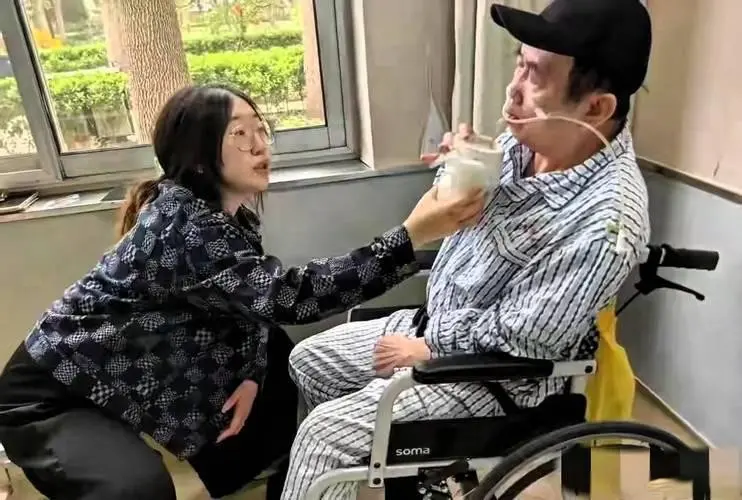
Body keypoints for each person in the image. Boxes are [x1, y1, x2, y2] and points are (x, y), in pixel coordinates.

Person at [0, 84, 485, 500]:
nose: (259, 146)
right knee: (137, 489)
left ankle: (270, 479)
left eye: (260, 129)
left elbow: (250, 303)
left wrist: (251, 376)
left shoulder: (224, 216)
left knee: (276, 371)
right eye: (239, 134)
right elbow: (288, 297)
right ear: (198, 155)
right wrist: (409, 237)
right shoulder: (184, 226)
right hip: (52, 393)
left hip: (126, 369)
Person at [282, 0, 653, 497]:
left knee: (323, 438)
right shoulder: (527, 142)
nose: (513, 89)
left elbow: (526, 337)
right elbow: (457, 216)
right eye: (519, 64)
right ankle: (363, 477)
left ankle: (342, 467)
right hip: (437, 325)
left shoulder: (607, 224)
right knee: (307, 360)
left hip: (493, 379)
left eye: (536, 76)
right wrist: (459, 165)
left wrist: (429, 349)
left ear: (596, 108)